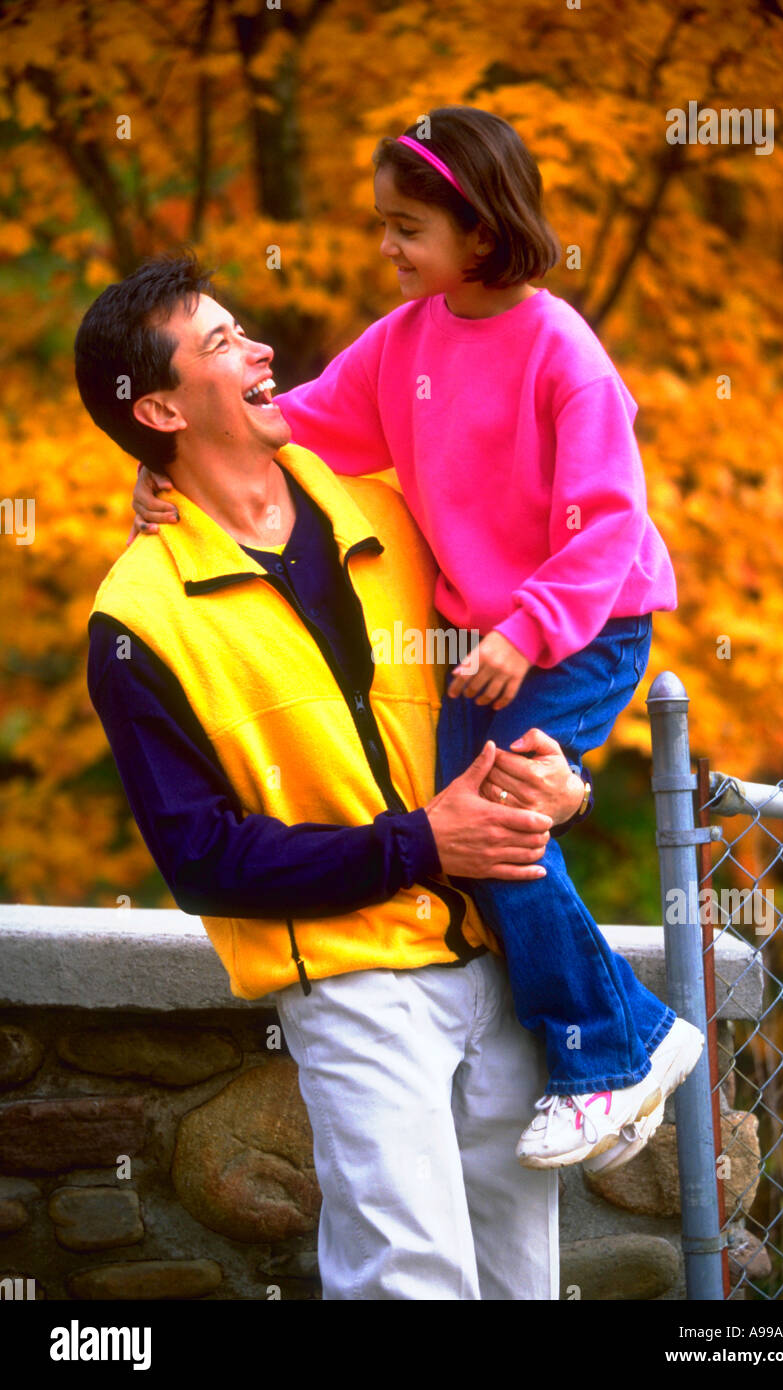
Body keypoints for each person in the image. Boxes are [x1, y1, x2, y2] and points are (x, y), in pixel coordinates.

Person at [132, 108, 703, 1172]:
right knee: (482, 819)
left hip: (581, 625)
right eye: (382, 226)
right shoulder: (407, 343)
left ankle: (604, 1051)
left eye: (407, 229)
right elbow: (297, 420)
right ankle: (629, 1033)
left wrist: (528, 633)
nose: (385, 249)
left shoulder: (561, 352)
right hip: (493, 637)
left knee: (490, 819)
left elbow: (607, 522)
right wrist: (171, 462)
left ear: (478, 232)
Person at [76, 253, 592, 1301]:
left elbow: (530, 663)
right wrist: (419, 845)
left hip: (504, 954)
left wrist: (559, 780)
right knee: (412, 1282)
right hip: (353, 986)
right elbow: (204, 861)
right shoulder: (136, 621)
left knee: (522, 1283)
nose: (262, 349)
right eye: (221, 342)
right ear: (163, 405)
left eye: (243, 327)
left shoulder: (397, 510)